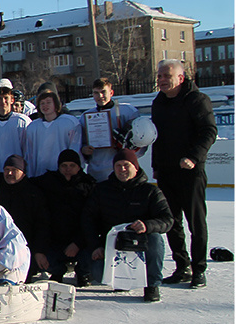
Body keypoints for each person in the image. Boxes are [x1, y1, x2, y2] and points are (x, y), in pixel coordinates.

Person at [151, 60, 218, 289]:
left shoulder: (197, 100)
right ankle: (182, 266)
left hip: (191, 172)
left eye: (166, 76)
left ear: (180, 78)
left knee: (195, 222)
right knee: (172, 222)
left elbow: (209, 131)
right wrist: (156, 166)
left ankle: (199, 269)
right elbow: (156, 138)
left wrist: (193, 157)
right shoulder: (158, 103)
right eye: (159, 75)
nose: (161, 79)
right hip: (167, 172)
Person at [82, 149, 173, 302]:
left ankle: (152, 285)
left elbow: (167, 220)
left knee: (155, 239)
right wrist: (96, 246)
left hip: (139, 244)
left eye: (126, 165)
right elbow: (87, 219)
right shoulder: (102, 190)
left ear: (136, 167)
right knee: (97, 273)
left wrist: (147, 225)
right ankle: (120, 280)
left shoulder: (151, 191)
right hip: (113, 246)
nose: (122, 169)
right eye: (118, 165)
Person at [32, 149, 97, 287]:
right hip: (55, 239)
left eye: (72, 166)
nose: (68, 169)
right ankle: (57, 271)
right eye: (64, 166)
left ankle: (83, 273)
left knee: (93, 253)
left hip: (81, 240)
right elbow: (22, 182)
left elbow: (92, 220)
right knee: (42, 258)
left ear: (79, 167)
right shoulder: (48, 181)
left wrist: (78, 243)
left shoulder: (89, 185)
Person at [0, 155, 47, 280]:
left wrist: (39, 251)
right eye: (6, 170)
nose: (9, 173)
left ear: (23, 173)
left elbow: (42, 225)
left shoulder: (34, 193)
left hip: (26, 249)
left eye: (14, 170)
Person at [80, 78, 142, 183]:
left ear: (111, 92)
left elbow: (141, 142)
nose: (100, 96)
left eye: (103, 92)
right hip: (96, 171)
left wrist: (128, 149)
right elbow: (81, 142)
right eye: (96, 93)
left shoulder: (128, 112)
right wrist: (84, 150)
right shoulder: (86, 117)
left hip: (121, 171)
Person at [23, 89, 82, 177]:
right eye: (42, 103)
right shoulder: (33, 126)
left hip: (63, 175)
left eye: (48, 102)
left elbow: (75, 148)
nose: (45, 105)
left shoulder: (70, 122)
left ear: (56, 104)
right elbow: (30, 154)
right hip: (40, 174)